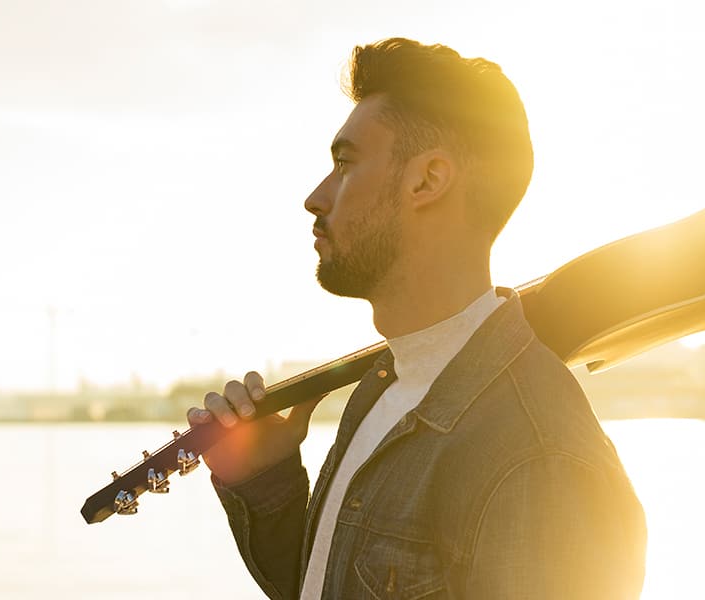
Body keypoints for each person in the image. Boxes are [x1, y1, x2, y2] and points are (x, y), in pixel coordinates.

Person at [187, 38, 647, 599]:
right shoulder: (381, 388)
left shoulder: (539, 459)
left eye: (344, 163)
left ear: (427, 180)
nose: (315, 197)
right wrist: (265, 482)